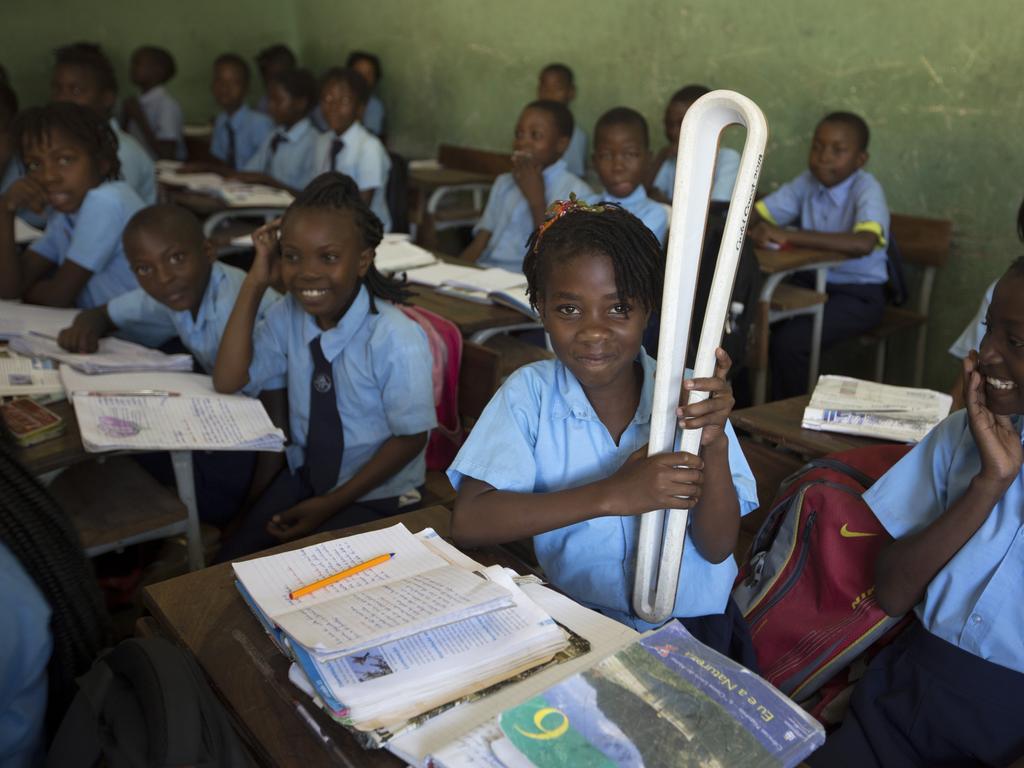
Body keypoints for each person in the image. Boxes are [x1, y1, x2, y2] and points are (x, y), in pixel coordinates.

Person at [448, 198, 759, 661]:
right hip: (577, 623)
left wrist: (711, 445)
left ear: (648, 309)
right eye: (570, 310)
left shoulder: (690, 395)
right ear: (540, 308)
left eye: (618, 308)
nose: (594, 332)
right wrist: (613, 494)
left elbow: (716, 548)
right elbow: (469, 521)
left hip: (693, 630)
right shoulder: (530, 394)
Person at [808, 258, 1024, 767]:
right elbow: (893, 590)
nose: (986, 353)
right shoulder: (961, 437)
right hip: (906, 693)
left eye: (1016, 342)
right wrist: (987, 485)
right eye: (989, 328)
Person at [212, 172, 436, 560]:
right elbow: (228, 379)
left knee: (300, 569)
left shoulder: (394, 338)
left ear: (363, 260)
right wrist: (257, 280)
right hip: (306, 478)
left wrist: (331, 504)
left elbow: (412, 438)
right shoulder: (288, 315)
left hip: (378, 494)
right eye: (292, 256)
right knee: (232, 558)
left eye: (328, 257)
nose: (308, 272)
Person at [57, 203, 284, 526]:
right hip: (229, 413)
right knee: (130, 445)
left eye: (176, 258)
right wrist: (88, 325)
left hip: (272, 435)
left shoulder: (234, 304)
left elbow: (278, 413)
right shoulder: (179, 290)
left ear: (207, 251)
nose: (163, 278)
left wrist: (254, 507)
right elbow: (104, 313)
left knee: (204, 491)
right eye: (144, 269)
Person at [748, 111, 889, 399]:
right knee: (750, 322)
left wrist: (790, 234)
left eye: (838, 150)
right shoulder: (807, 182)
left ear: (860, 160)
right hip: (812, 283)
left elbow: (864, 242)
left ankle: (783, 428)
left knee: (791, 342)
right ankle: (744, 411)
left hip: (859, 295)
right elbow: (756, 213)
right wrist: (759, 228)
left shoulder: (867, 189)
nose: (824, 157)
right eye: (817, 146)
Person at [0, 103, 142, 307]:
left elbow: (58, 296)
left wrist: (26, 290)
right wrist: (5, 210)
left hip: (145, 338)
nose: (49, 177)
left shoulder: (106, 201)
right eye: (35, 164)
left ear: (102, 163)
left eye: (65, 160)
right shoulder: (65, 215)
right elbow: (9, 288)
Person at [461, 100, 591, 272]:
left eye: (535, 135)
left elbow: (554, 259)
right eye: (519, 134)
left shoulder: (577, 193)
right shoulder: (504, 182)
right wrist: (456, 271)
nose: (523, 143)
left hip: (530, 281)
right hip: (488, 271)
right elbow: (481, 242)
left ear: (561, 144)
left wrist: (536, 200)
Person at [51, 42, 156, 204]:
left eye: (76, 91)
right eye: (57, 89)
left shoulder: (120, 152)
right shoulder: (70, 143)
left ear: (107, 98)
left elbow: (108, 213)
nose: (62, 99)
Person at [313, 67, 392, 231]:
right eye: (327, 99)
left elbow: (361, 209)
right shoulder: (323, 141)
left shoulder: (369, 148)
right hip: (330, 226)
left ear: (360, 109)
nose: (333, 107)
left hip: (365, 232)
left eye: (345, 101)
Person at [585, 107, 667, 245]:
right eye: (606, 155)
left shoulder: (654, 214)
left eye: (630, 154)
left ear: (648, 159)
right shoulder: (583, 206)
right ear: (594, 162)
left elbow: (629, 261)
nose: (618, 167)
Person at [648, 84, 740, 205]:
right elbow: (648, 195)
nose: (673, 132)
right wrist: (662, 156)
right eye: (669, 124)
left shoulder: (728, 159)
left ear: (710, 124)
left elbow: (716, 209)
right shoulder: (672, 160)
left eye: (683, 123)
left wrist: (665, 202)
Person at [237, 68, 319, 191]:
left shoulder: (314, 143)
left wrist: (266, 180)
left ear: (300, 103)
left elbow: (308, 196)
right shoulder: (275, 135)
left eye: (278, 101)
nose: (270, 107)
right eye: (269, 100)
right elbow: (249, 172)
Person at [208, 53, 274, 170]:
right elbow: (219, 161)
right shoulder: (221, 120)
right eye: (219, 81)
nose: (225, 88)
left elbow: (268, 168)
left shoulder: (260, 124)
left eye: (234, 82)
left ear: (246, 87)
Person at [121, 46, 185, 160]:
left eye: (137, 63)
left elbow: (167, 154)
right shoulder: (136, 102)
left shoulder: (167, 105)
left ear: (158, 71)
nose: (132, 68)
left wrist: (140, 118)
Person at [537, 63, 586, 177]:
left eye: (557, 89)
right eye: (545, 88)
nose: (550, 95)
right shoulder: (529, 131)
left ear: (571, 92)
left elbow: (575, 179)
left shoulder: (576, 135)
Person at [346, 50, 386, 138]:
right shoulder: (332, 99)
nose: (363, 78)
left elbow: (369, 136)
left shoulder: (374, 106)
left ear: (375, 79)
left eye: (368, 74)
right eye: (358, 72)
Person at [254, 44, 296, 114]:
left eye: (280, 77)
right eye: (269, 79)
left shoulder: (307, 105)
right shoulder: (263, 103)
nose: (273, 83)